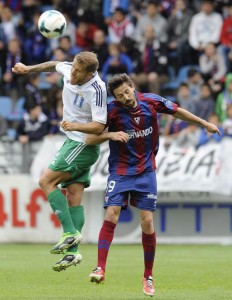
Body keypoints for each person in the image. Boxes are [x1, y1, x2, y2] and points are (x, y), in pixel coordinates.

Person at [61, 73, 220, 296]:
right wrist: (111, 135)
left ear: (132, 87)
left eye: (127, 92)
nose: (125, 97)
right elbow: (90, 138)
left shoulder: (150, 101)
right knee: (111, 215)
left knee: (147, 221)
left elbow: (178, 111)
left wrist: (205, 124)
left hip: (146, 171)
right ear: (114, 98)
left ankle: (148, 276)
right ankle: (100, 268)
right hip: (121, 171)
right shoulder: (112, 111)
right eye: (119, 95)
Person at [12, 51, 107, 271]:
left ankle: (70, 233)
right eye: (72, 67)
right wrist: (29, 68)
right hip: (71, 142)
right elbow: (55, 64)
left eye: (78, 71)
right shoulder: (70, 69)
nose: (72, 72)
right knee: (73, 196)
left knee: (45, 182)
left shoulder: (97, 89)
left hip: (82, 144)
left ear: (90, 73)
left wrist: (75, 126)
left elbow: (99, 126)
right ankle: (72, 254)